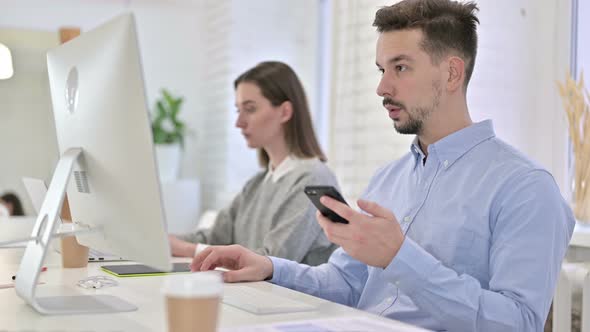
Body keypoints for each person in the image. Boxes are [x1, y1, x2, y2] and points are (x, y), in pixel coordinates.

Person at [189, 1, 575, 331]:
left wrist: (399, 256)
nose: (382, 87)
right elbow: (345, 281)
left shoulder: (525, 187)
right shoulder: (388, 179)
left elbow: (519, 322)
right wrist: (270, 267)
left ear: (452, 73)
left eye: (401, 68)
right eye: (381, 69)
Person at [169, 61, 339, 266]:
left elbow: (274, 259)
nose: (239, 122)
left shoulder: (314, 179)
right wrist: (162, 240)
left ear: (285, 112)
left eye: (250, 109)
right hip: (253, 295)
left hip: (290, 298)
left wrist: (187, 249)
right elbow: (213, 237)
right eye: (238, 110)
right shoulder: (257, 184)